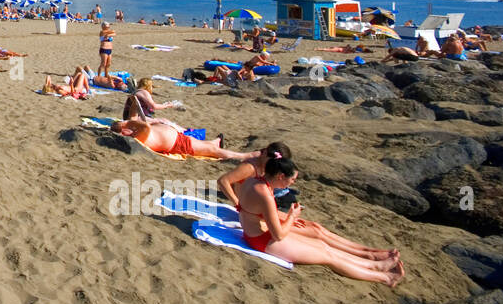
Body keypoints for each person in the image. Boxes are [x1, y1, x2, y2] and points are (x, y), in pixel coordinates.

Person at [233, 153, 404, 285]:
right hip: (262, 240)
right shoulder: (265, 194)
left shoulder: (253, 181)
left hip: (257, 233)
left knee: (322, 245)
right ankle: (383, 277)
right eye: (291, 180)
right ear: (280, 177)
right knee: (327, 257)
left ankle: (372, 262)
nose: (291, 184)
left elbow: (250, 209)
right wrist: (291, 217)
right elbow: (278, 235)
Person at [218, 144, 400, 262]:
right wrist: (237, 203)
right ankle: (368, 257)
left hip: (257, 212)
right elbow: (223, 181)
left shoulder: (264, 175)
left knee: (315, 228)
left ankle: (367, 252)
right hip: (254, 214)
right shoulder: (250, 168)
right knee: (317, 237)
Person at [113, 119, 247, 160]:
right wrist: (130, 122)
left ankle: (216, 141)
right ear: (124, 131)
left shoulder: (136, 133)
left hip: (179, 138)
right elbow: (146, 126)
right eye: (125, 125)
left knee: (205, 145)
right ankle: (244, 156)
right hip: (179, 144)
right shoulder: (137, 136)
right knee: (211, 150)